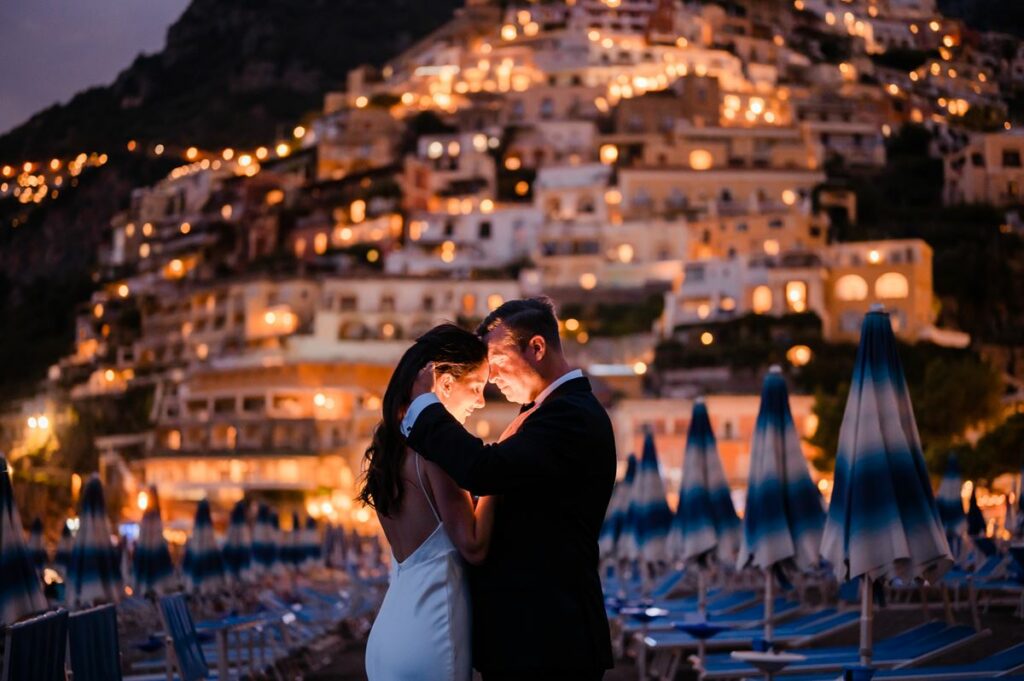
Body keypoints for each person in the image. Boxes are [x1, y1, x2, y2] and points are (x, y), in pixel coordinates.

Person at [403, 297, 617, 680]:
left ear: (536, 347)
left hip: (549, 641)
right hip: (528, 639)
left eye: (497, 360)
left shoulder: (570, 416)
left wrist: (424, 406)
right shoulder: (542, 415)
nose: (492, 377)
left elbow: (485, 470)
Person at [362, 324, 496, 681]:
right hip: (432, 631)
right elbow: (473, 545)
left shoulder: (390, 452)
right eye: (477, 387)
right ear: (446, 384)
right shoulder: (435, 453)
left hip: (389, 633)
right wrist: (503, 477)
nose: (481, 402)